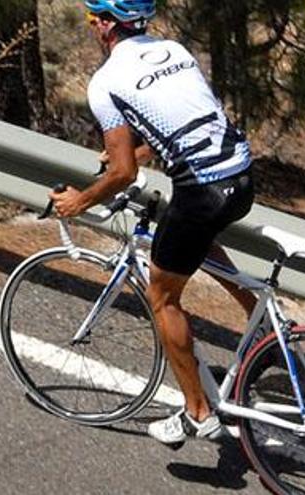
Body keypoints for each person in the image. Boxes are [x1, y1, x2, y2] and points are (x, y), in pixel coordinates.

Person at [51, 0, 257, 444]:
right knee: (192, 239)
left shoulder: (105, 82)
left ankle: (198, 412)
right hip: (240, 176)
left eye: (93, 18)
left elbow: (122, 173)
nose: (92, 27)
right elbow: (189, 124)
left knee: (162, 297)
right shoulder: (175, 50)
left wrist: (80, 201)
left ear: (107, 24)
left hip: (202, 189)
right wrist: (141, 153)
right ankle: (257, 319)